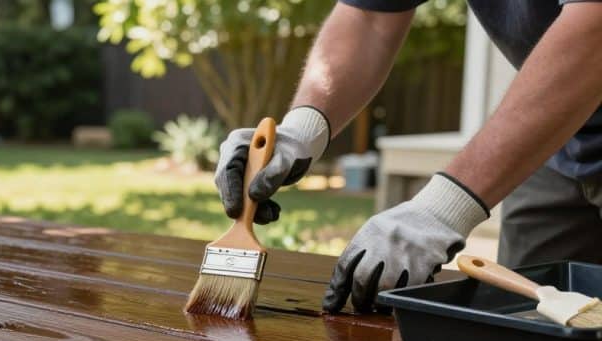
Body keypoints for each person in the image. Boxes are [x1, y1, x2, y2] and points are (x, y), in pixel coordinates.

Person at [214, 1, 602, 313]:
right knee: (532, 335)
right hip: (555, 142)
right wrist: (303, 128)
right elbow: (370, 16)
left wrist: (443, 208)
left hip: (576, 89)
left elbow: (594, 27)